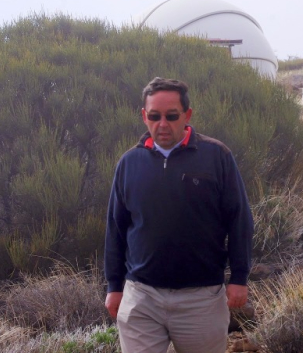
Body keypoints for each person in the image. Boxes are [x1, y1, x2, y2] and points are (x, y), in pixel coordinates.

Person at [104, 77, 254, 353]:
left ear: (187, 115)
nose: (163, 124)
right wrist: (114, 286)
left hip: (201, 299)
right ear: (143, 116)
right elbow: (116, 228)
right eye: (154, 116)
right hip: (141, 297)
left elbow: (239, 219)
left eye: (172, 116)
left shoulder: (216, 156)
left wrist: (239, 277)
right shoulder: (129, 163)